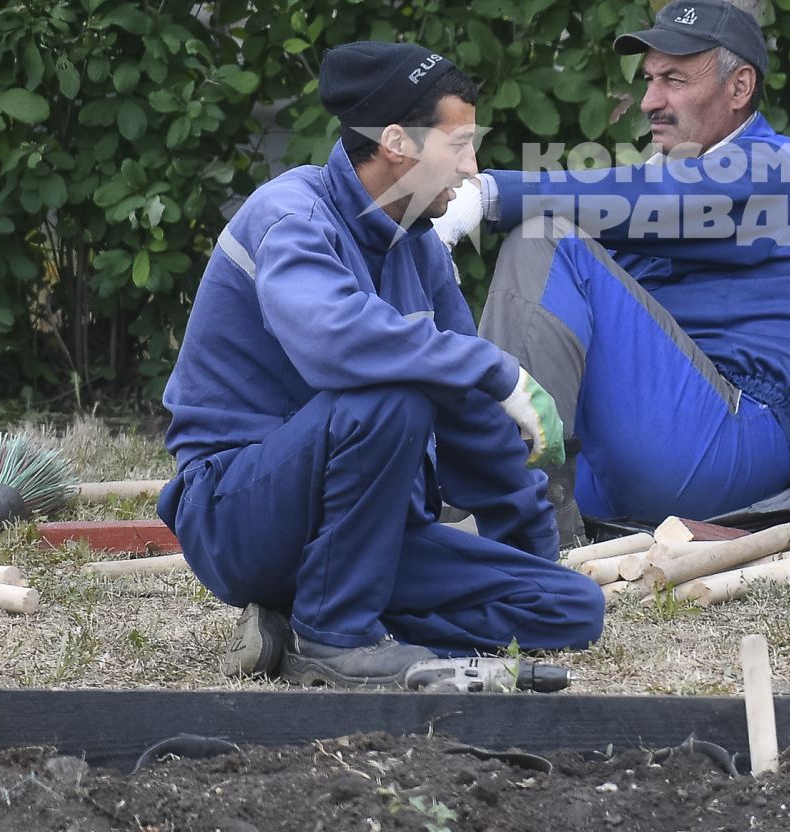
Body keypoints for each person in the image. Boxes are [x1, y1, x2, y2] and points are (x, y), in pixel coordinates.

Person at [157, 40, 604, 688]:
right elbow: (334, 340)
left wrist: (527, 556)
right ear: (396, 142)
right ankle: (336, 638)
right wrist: (492, 366)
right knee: (391, 394)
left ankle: (301, 619)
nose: (474, 169)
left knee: (568, 608)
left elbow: (472, 417)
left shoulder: (418, 248)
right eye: (458, 145)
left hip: (362, 538)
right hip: (239, 516)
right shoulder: (290, 215)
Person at [434, 0, 790, 531]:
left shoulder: (785, 167)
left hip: (739, 437)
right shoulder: (667, 182)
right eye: (649, 79)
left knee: (543, 235)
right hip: (641, 448)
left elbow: (652, 198)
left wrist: (485, 195)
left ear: (739, 88)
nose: (651, 100)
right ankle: (466, 502)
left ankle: (517, 528)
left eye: (674, 79)